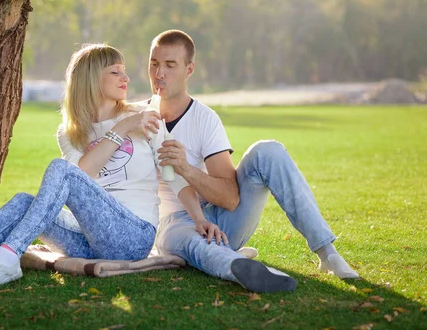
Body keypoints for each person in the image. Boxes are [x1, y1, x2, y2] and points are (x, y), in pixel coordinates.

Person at [0, 43, 181, 294]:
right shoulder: (70, 133)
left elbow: (169, 174)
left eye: (124, 71)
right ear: (92, 77)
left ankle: (7, 256)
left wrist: (192, 215)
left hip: (132, 237)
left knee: (61, 170)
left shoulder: (143, 118)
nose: (126, 78)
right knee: (22, 201)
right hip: (88, 241)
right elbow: (84, 175)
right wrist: (120, 130)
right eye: (115, 71)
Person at [148, 30, 360, 293]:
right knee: (188, 240)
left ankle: (327, 253)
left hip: (222, 223)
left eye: (170, 65)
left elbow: (230, 199)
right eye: (154, 63)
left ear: (189, 70)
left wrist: (187, 169)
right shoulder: (137, 116)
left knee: (268, 151)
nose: (159, 74)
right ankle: (241, 268)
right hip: (173, 224)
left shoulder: (205, 119)